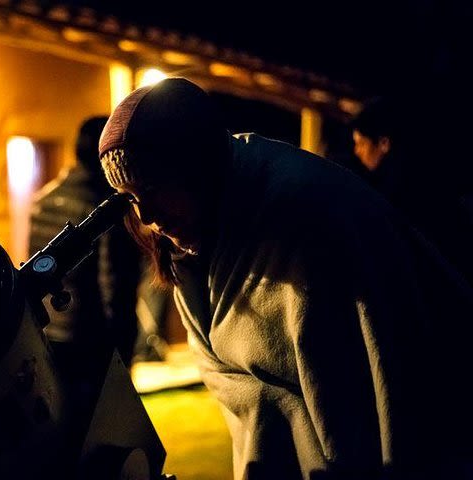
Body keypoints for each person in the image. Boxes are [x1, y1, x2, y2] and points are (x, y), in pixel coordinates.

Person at [98, 77, 473, 479]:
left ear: (196, 164)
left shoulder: (310, 215)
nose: (148, 217)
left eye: (154, 189)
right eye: (133, 200)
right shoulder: (199, 242)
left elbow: (389, 388)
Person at [29, 116, 142, 367]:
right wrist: (123, 344)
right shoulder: (105, 209)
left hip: (51, 329)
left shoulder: (41, 201)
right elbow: (114, 282)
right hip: (93, 338)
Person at [351, 97, 473, 286]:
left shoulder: (398, 191)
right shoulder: (411, 178)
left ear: (384, 143)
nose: (356, 151)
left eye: (361, 143)